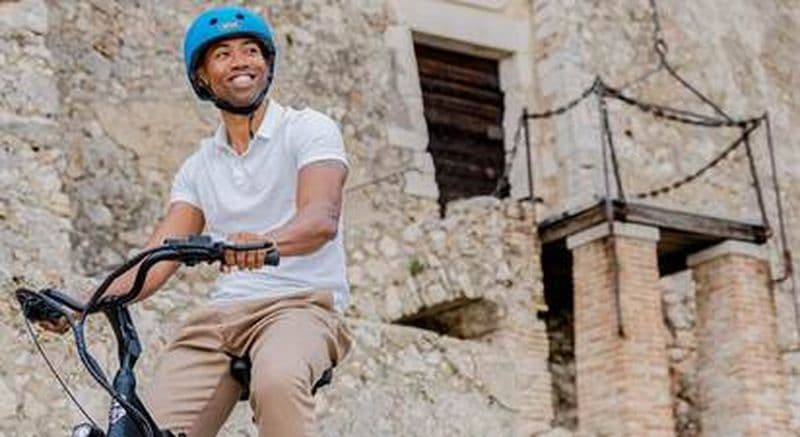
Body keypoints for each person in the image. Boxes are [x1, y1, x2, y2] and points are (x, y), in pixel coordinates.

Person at [42, 5, 352, 437]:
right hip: (221, 318)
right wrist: (82, 303)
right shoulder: (198, 166)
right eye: (222, 54)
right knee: (144, 427)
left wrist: (263, 244)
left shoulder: (307, 129)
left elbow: (321, 219)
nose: (241, 60)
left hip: (299, 308)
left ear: (267, 63)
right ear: (202, 77)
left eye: (250, 50)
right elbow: (153, 262)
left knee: (277, 379)